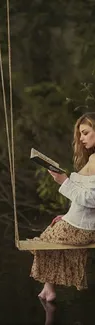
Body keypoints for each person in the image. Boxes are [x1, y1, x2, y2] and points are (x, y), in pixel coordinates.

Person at [30, 112, 95, 302]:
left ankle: (49, 291)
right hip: (82, 223)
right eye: (80, 134)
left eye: (85, 132)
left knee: (42, 243)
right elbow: (84, 200)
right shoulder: (92, 159)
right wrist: (66, 217)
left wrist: (64, 182)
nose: (81, 138)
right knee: (51, 235)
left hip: (85, 228)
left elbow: (91, 199)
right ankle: (48, 289)